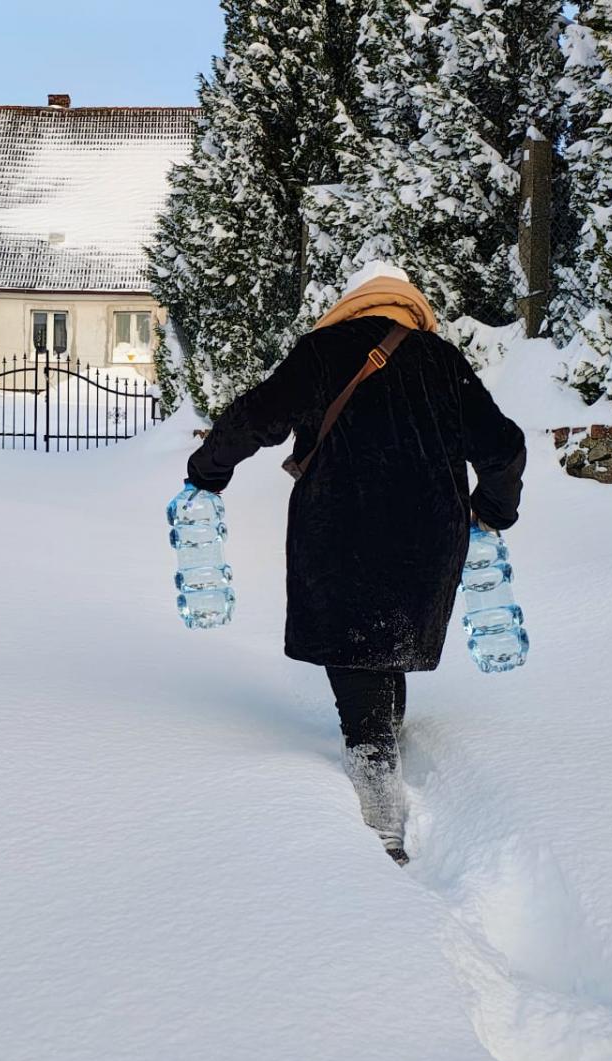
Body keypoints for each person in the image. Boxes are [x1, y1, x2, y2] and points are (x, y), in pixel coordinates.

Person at [183, 266, 526, 865]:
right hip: (430, 531)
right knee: (385, 638)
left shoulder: (322, 351)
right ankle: (384, 736)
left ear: (353, 307)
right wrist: (492, 509)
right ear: (411, 311)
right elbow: (504, 446)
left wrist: (207, 472)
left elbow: (252, 419)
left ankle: (381, 808)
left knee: (355, 646)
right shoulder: (442, 361)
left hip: (341, 525)